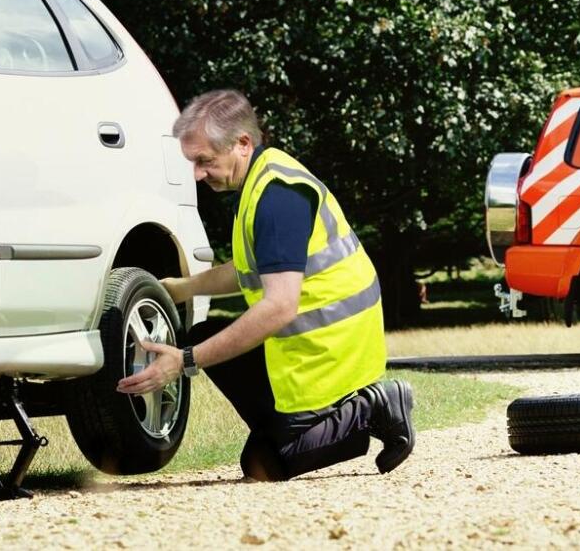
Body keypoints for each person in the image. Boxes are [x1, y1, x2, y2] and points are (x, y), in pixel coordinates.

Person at [116, 89, 415, 481]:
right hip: (308, 348)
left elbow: (279, 306)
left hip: (331, 353)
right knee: (208, 342)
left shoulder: (277, 197)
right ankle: (288, 427)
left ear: (242, 144)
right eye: (193, 162)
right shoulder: (260, 181)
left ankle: (374, 406)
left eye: (205, 161)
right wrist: (180, 288)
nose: (197, 174)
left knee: (273, 461)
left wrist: (186, 362)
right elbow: (246, 271)